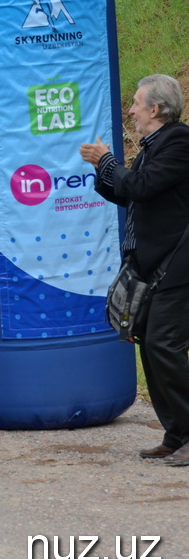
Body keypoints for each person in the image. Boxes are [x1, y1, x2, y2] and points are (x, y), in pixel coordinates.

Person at [79, 74, 189, 466]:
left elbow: (140, 186)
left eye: (136, 104)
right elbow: (126, 191)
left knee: (164, 345)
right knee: (151, 345)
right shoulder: (153, 146)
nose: (131, 111)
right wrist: (101, 170)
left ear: (155, 109)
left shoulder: (179, 141)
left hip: (178, 267)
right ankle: (176, 435)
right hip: (153, 266)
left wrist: (108, 161)